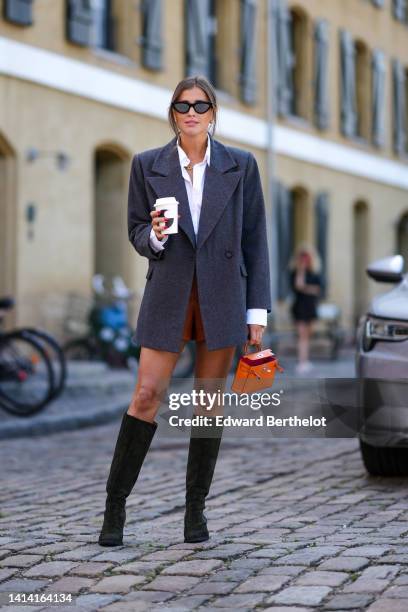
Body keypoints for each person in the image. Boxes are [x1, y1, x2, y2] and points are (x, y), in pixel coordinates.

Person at [98, 75, 271, 547]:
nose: (191, 111)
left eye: (200, 104)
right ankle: (116, 504)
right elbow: (136, 231)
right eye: (182, 104)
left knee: (208, 405)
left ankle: (195, 510)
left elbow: (255, 239)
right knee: (146, 395)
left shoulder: (241, 165)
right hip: (169, 292)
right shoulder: (147, 165)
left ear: (213, 112)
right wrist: (153, 235)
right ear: (172, 113)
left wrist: (258, 312)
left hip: (223, 295)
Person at [288, 243, 322, 374]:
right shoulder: (295, 272)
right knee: (302, 336)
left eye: (306, 256)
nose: (304, 259)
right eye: (302, 256)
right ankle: (302, 362)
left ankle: (305, 360)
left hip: (311, 307)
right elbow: (298, 286)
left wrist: (306, 289)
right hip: (300, 307)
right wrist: (301, 270)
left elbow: (317, 290)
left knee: (308, 335)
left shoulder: (314, 272)